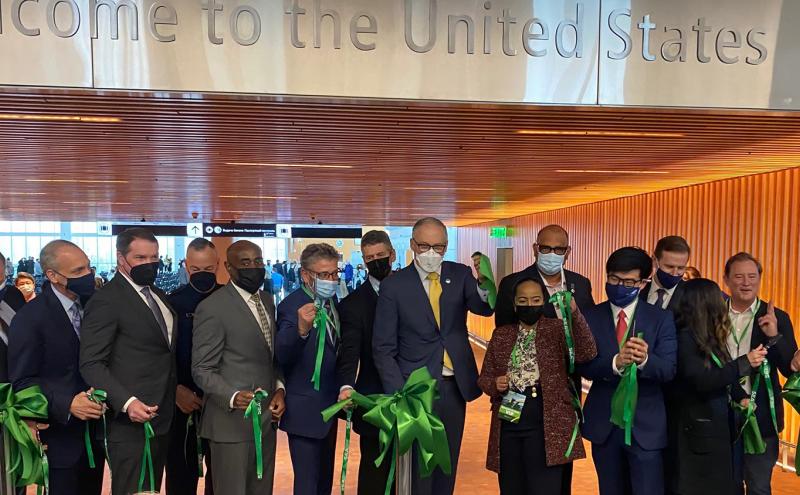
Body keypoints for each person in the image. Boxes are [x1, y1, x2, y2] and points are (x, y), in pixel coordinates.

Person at [373, 217, 494, 495]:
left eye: (439, 247)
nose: (431, 253)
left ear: (446, 246)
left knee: (447, 461)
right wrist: (398, 394)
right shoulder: (395, 286)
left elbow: (484, 309)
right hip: (414, 390)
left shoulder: (460, 274)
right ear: (413, 245)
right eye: (425, 245)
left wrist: (485, 282)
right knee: (419, 467)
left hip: (454, 386)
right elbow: (383, 347)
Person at [80, 228, 177, 495]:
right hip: (128, 422)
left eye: (154, 257)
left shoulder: (159, 296)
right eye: (141, 258)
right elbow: (91, 362)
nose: (149, 264)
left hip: (162, 416)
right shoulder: (106, 300)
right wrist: (127, 402)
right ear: (121, 258)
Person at [478, 278, 597, 495]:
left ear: (544, 302)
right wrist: (495, 384)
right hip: (509, 422)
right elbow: (484, 378)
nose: (529, 305)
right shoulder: (502, 335)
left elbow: (587, 351)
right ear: (514, 305)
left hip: (547, 422)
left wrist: (575, 314)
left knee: (544, 487)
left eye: (535, 300)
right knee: (512, 486)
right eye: (523, 300)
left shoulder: (557, 330)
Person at [8, 240, 105, 495]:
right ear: (52, 275)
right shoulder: (31, 318)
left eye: (88, 268)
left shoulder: (94, 306)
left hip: (97, 436)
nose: (87, 276)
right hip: (60, 439)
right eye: (77, 272)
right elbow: (22, 381)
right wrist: (67, 403)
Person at [578, 247, 677, 495]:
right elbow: (583, 365)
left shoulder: (660, 319)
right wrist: (614, 363)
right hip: (605, 425)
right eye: (614, 279)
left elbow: (668, 370)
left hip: (646, 427)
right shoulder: (589, 317)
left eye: (629, 281)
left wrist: (645, 360)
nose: (620, 286)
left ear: (643, 283)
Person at [192, 240, 286, 495]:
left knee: (261, 489)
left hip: (265, 421)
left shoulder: (266, 300)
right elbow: (201, 368)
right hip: (230, 425)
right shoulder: (212, 308)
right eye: (245, 263)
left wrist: (279, 389)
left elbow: (270, 357)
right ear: (229, 268)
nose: (253, 267)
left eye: (258, 261)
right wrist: (232, 396)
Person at [664, 278, 767, 495]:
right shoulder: (685, 337)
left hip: (714, 429)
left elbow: (723, 371)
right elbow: (702, 380)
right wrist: (744, 363)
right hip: (696, 432)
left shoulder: (707, 336)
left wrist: (741, 396)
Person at [722, 252, 797, 495]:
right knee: (725, 484)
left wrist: (774, 336)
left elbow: (789, 368)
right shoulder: (714, 314)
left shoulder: (775, 316)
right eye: (739, 277)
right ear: (726, 280)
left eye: (752, 277)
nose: (746, 283)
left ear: (759, 279)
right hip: (720, 411)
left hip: (761, 413)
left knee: (758, 485)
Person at [276, 243, 342, 495]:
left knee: (324, 481)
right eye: (324, 275)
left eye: (335, 273)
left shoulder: (332, 300)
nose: (331, 280)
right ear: (305, 275)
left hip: (330, 407)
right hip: (304, 411)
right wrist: (301, 330)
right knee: (307, 484)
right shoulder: (291, 306)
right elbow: (281, 355)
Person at [337, 230, 397, 494]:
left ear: (392, 255)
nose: (376, 261)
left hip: (415, 397)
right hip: (375, 402)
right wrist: (346, 386)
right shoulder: (352, 305)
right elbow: (349, 354)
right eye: (369, 258)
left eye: (380, 256)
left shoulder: (414, 290)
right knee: (375, 472)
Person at [165, 239, 224, 495]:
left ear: (219, 265)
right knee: (180, 474)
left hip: (222, 401)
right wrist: (175, 389)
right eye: (196, 270)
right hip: (181, 402)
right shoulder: (171, 304)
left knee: (222, 475)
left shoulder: (230, 300)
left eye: (209, 270)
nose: (203, 275)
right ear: (187, 267)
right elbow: (160, 354)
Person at [495, 225, 594, 327]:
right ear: (535, 249)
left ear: (567, 252)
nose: (552, 254)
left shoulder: (582, 283)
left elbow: (590, 325)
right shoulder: (511, 284)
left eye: (559, 250)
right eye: (545, 249)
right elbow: (503, 333)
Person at [640, 236, 690, 312]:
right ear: (654, 260)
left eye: (680, 268)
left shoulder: (691, 296)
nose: (674, 273)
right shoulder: (638, 290)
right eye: (669, 267)